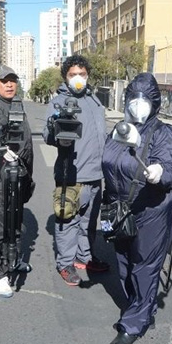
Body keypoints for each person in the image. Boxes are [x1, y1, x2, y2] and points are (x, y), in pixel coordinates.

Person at [102, 73, 172, 344]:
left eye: (145, 98)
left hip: (151, 209)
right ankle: (141, 308)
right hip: (118, 207)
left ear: (155, 102)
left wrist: (160, 173)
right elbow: (108, 164)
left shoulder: (163, 133)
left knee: (145, 265)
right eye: (133, 97)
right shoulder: (118, 130)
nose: (138, 104)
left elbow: (170, 170)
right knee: (123, 261)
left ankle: (133, 322)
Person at [42, 55, 110, 286]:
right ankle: (66, 263)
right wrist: (56, 131)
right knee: (67, 220)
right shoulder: (58, 102)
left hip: (95, 173)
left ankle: (85, 256)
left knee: (89, 221)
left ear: (88, 75)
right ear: (65, 77)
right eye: (73, 75)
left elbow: (101, 134)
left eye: (82, 74)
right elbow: (47, 135)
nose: (78, 78)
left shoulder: (95, 101)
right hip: (71, 175)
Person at [0, 65, 34, 298]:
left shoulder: (16, 105)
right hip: (0, 177)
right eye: (4, 81)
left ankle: (13, 260)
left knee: (16, 222)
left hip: (19, 174)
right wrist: (1, 148)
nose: (10, 84)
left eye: (13, 80)